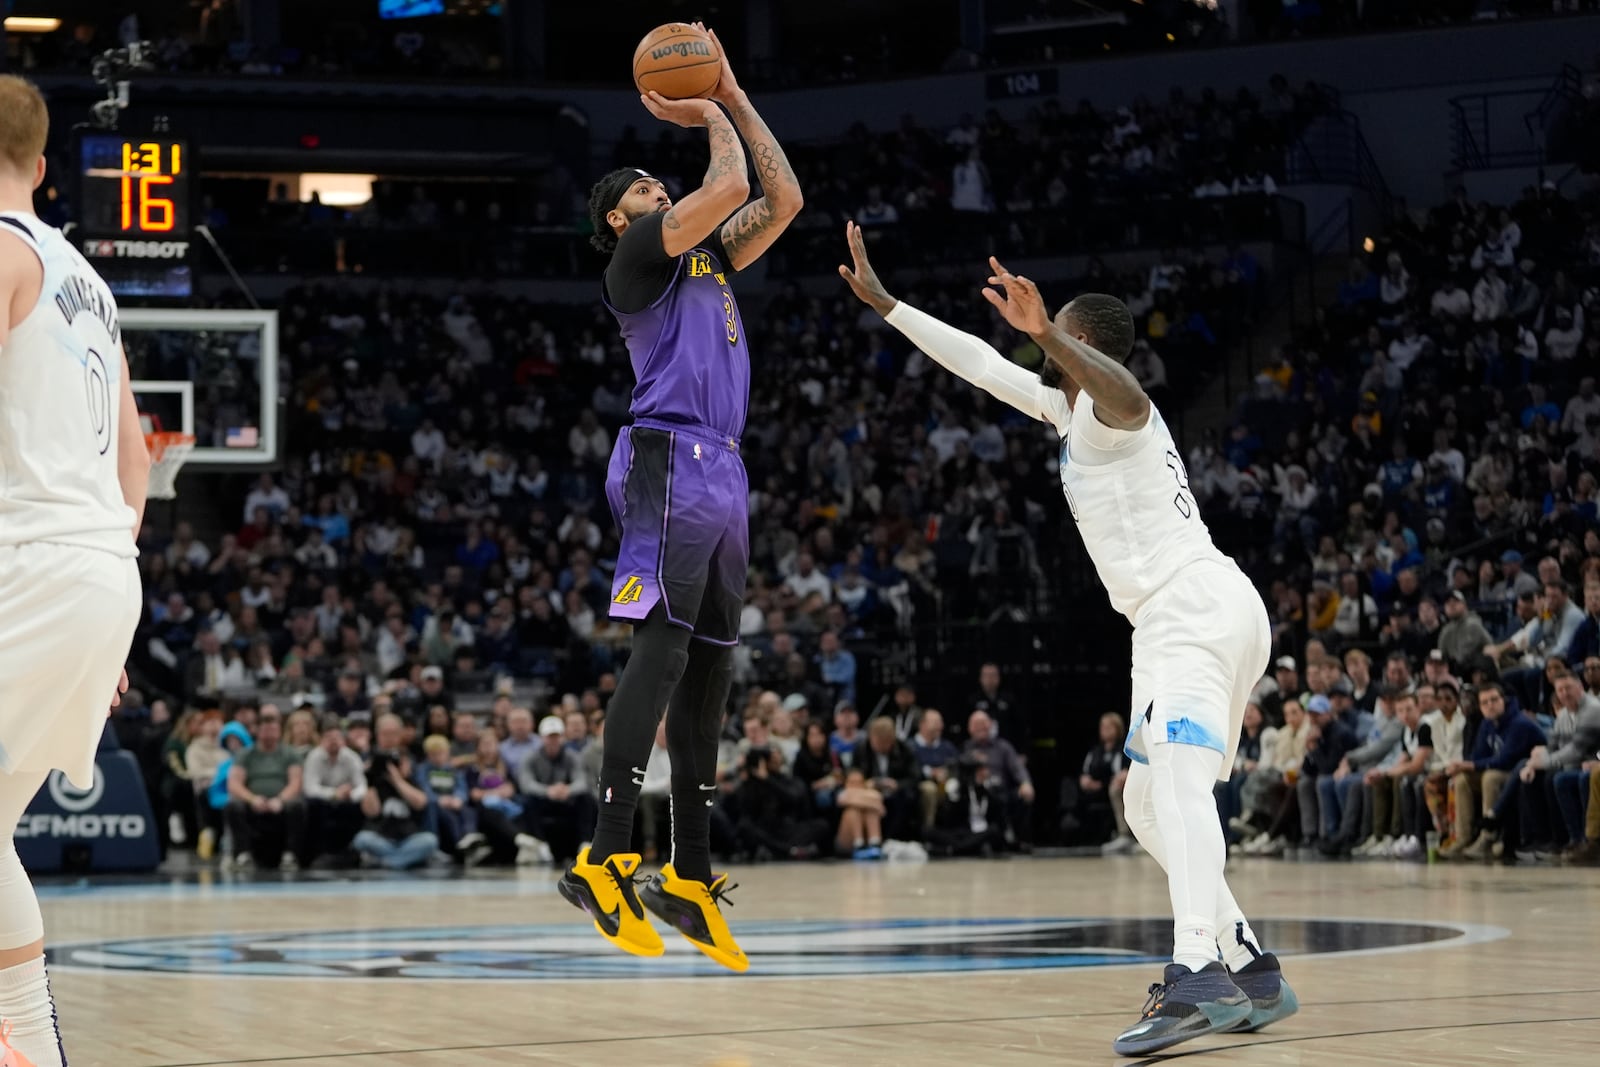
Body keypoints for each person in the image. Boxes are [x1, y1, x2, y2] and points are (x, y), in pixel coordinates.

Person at [839, 228, 1294, 1055]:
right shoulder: (1067, 411)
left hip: (1194, 607)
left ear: (1077, 342)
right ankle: (1249, 962)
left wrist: (1048, 335)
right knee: (1145, 803)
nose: (1034, 338)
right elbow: (981, 363)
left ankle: (1194, 969)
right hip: (1172, 621)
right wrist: (890, 305)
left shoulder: (1116, 413)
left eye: (1054, 333)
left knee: (1183, 785)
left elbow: (1133, 396)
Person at [562, 24, 803, 974]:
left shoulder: (707, 260)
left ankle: (688, 872)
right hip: (666, 457)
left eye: (664, 185)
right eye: (646, 191)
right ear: (619, 219)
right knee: (660, 653)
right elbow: (732, 186)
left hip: (724, 467)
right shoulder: (637, 265)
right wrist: (706, 110)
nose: (662, 191)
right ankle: (606, 853)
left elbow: (780, 195)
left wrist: (735, 91)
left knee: (710, 673)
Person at [0, 74, 147, 1067]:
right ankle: (32, 1044)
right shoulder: (78, 270)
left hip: (30, 558)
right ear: (44, 166)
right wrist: (99, 603)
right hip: (98, 563)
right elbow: (137, 456)